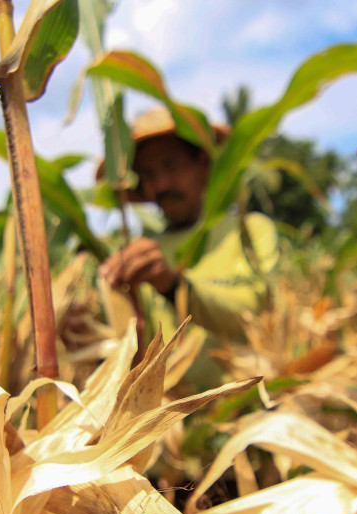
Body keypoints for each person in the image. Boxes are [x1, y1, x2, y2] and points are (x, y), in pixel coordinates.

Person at [98, 108, 278, 343]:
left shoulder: (249, 231)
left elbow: (259, 315)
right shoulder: (140, 257)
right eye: (149, 175)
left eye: (171, 167)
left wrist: (174, 288)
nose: (162, 184)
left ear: (202, 165)